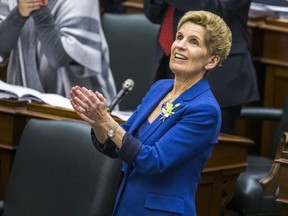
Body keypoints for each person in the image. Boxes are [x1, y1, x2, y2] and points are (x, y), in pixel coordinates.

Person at [70, 10, 232, 215]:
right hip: (126, 205)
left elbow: (154, 160)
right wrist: (97, 122)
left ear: (211, 60)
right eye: (179, 37)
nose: (180, 45)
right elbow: (117, 143)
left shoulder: (204, 110)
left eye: (193, 42)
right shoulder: (160, 88)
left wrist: (106, 120)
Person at [144, 0, 260, 134]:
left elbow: (215, 11)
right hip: (170, 63)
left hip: (218, 76)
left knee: (211, 151)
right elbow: (153, 14)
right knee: (158, 139)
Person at [0, 0, 117, 104]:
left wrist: (39, 9)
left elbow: (59, 57)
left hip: (84, 110)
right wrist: (18, 15)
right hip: (25, 104)